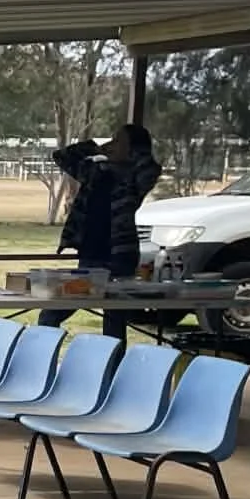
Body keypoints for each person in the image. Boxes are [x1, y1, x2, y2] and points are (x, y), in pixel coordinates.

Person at [44, 124, 162, 343]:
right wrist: (94, 148)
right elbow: (62, 156)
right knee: (50, 314)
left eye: (119, 141)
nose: (112, 144)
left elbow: (150, 167)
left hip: (119, 255)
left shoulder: (136, 178)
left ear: (134, 149)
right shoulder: (96, 171)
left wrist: (132, 153)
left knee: (114, 320)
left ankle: (113, 371)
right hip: (90, 253)